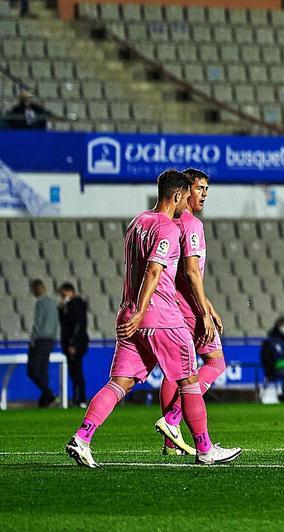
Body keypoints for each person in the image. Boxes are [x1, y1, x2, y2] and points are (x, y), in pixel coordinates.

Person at [66, 170, 241, 468]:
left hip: (128, 315)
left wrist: (133, 311)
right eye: (187, 195)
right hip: (160, 316)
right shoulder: (169, 228)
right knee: (189, 380)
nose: (189, 201)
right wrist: (142, 310)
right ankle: (204, 448)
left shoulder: (136, 223)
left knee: (119, 383)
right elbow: (154, 271)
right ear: (176, 195)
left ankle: (82, 438)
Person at [157, 168, 228, 456]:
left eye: (206, 189)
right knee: (215, 362)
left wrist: (207, 302)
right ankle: (173, 419)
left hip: (171, 304)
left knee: (174, 372)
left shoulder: (168, 223)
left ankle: (170, 442)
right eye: (199, 188)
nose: (204, 195)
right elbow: (191, 272)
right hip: (187, 307)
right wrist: (203, 311)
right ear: (185, 191)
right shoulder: (191, 225)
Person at [57, 283, 89, 407]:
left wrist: (73, 343)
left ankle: (81, 399)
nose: (62, 296)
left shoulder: (76, 304)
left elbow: (77, 325)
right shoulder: (69, 305)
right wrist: (61, 309)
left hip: (76, 343)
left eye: (63, 293)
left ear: (69, 291)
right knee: (73, 372)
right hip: (73, 342)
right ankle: (77, 399)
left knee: (77, 371)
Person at [28, 279, 59, 408]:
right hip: (51, 340)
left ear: (37, 288)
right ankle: (45, 401)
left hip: (40, 339)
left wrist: (32, 339)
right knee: (43, 370)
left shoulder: (40, 303)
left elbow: (38, 323)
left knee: (32, 370)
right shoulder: (53, 302)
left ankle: (50, 395)